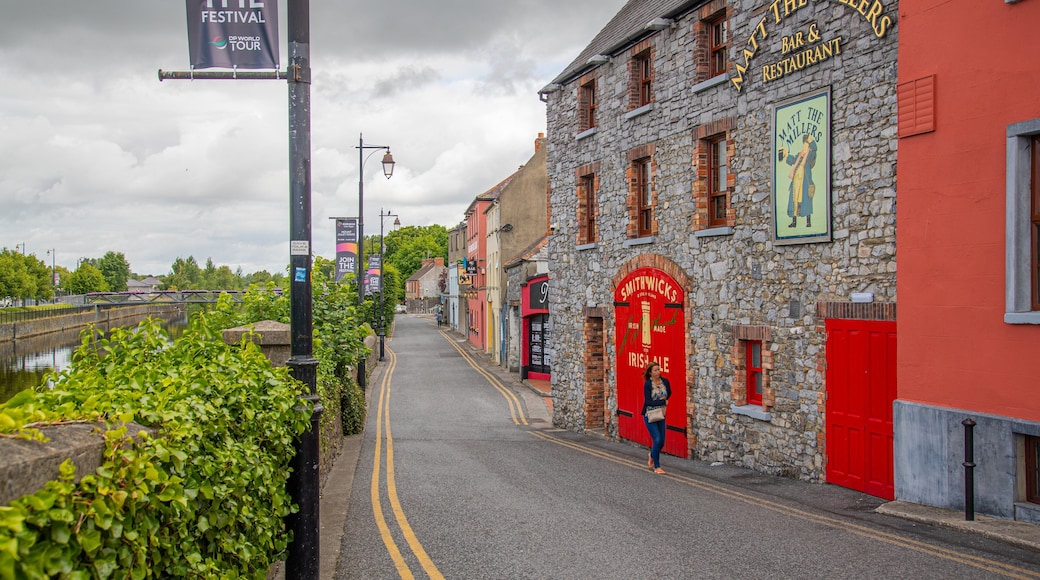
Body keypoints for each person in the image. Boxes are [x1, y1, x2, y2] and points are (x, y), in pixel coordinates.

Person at [778, 133, 817, 229]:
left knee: (806, 200)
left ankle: (808, 222)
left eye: (806, 144)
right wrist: (786, 154)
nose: (804, 146)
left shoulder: (810, 154)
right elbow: (793, 160)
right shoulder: (800, 155)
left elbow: (814, 149)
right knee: (794, 200)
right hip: (796, 180)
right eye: (804, 144)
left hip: (805, 180)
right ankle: (794, 222)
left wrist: (811, 140)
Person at [642, 361, 671, 474]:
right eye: (655, 370)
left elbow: (669, 393)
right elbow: (648, 401)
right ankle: (657, 466)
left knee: (662, 442)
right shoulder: (648, 385)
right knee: (657, 439)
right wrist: (662, 401)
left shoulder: (665, 382)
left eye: (658, 369)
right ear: (650, 372)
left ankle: (652, 455)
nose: (658, 372)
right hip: (650, 414)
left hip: (661, 414)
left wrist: (664, 401)